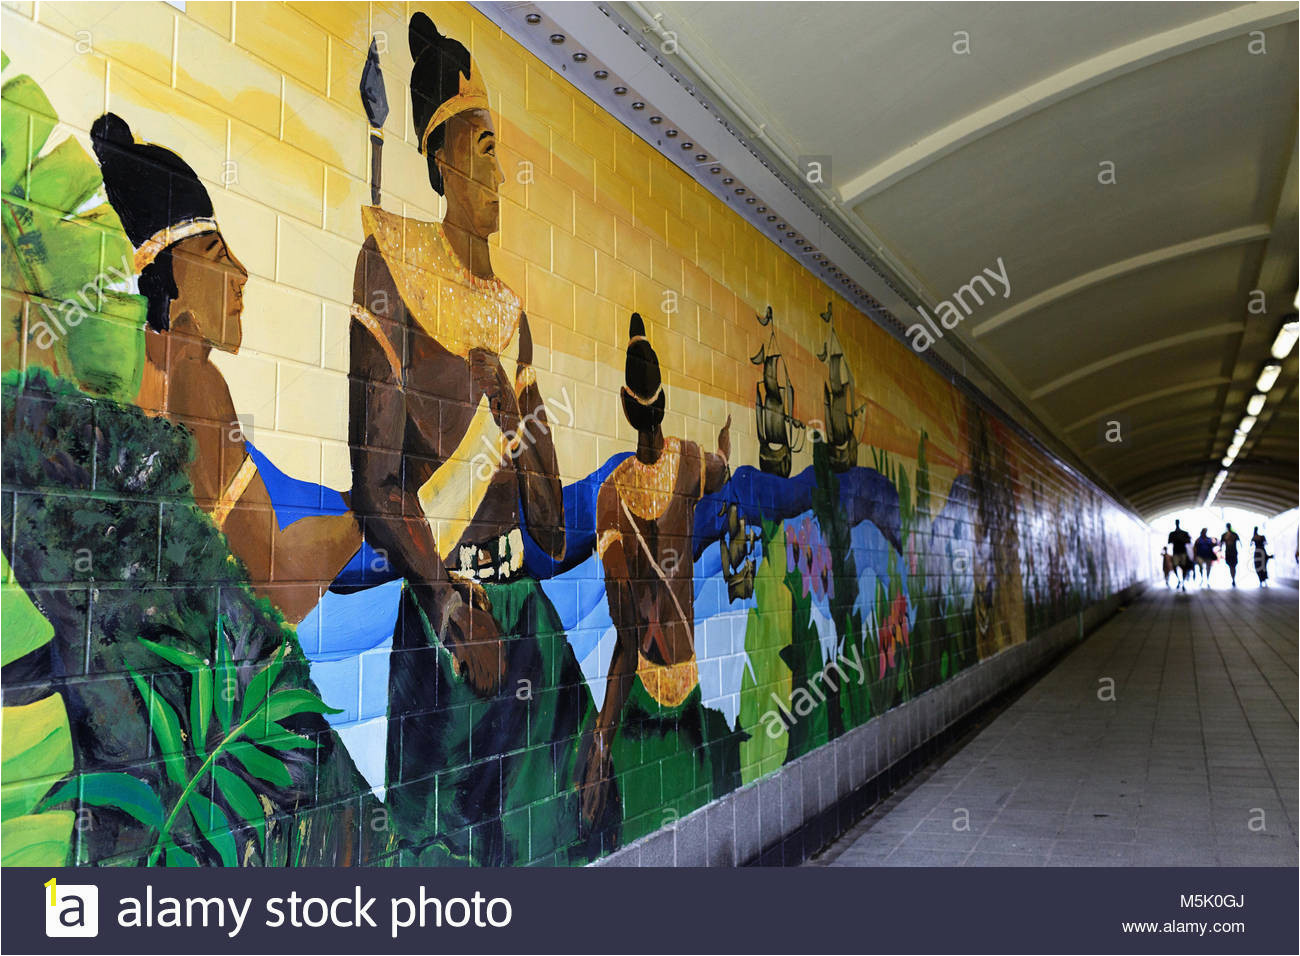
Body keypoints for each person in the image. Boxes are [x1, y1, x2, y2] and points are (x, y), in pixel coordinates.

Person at [347, 13, 597, 864]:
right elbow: (375, 486)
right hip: (447, 627)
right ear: (442, 155)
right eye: (485, 149)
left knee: (546, 848)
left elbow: (555, 529)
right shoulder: (386, 264)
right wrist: (453, 612)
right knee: (440, 864)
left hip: (526, 618)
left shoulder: (510, 314)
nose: (501, 174)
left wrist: (521, 420)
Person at [91, 113, 361, 624]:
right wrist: (371, 516)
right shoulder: (192, 380)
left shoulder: (148, 369)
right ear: (173, 274)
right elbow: (275, 593)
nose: (240, 273)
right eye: (217, 254)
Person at [582, 313, 732, 840]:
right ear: (663, 402)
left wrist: (603, 734)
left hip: (640, 693)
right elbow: (723, 469)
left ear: (624, 407)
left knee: (645, 832)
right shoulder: (691, 463)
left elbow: (625, 627)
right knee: (699, 820)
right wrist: (727, 447)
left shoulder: (610, 497)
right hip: (688, 681)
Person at [1167, 520, 1191, 590]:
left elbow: (1188, 541)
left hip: (1182, 552)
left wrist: (1180, 539)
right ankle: (1179, 580)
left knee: (1184, 567)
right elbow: (1169, 541)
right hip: (1176, 552)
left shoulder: (1184, 533)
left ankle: (1182, 582)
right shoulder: (1172, 533)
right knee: (1175, 566)